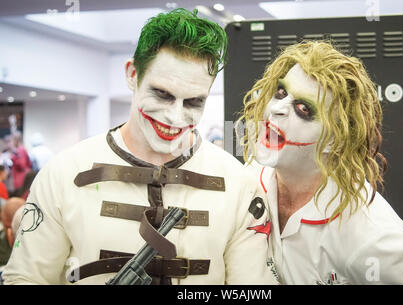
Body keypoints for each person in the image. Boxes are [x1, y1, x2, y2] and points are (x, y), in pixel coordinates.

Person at [3, 8, 277, 285]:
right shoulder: (62, 174)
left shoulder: (239, 184)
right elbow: (25, 279)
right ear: (132, 74)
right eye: (162, 94)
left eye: (194, 102)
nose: (175, 116)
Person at [238, 41, 403, 284]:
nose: (276, 108)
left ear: (336, 140)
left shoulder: (377, 238)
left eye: (303, 108)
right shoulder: (250, 177)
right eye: (280, 93)